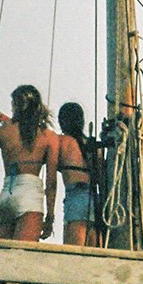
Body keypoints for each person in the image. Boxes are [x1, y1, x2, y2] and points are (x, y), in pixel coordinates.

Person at [0, 86, 57, 242]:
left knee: (1, 257)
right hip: (30, 197)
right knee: (23, 257)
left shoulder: (2, 132)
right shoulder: (49, 137)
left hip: (6, 196)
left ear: (15, 106)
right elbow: (51, 182)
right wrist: (50, 217)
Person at [55, 102, 95, 246]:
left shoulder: (61, 142)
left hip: (76, 197)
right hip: (95, 199)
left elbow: (34, 137)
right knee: (95, 255)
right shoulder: (93, 145)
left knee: (74, 255)